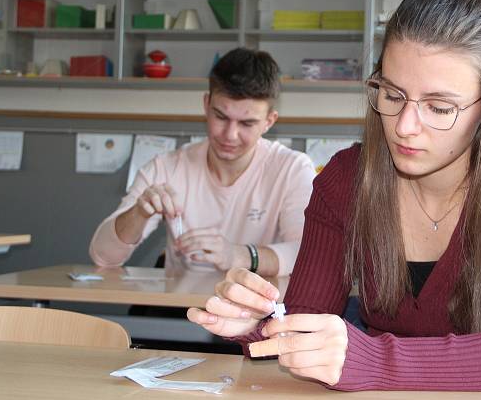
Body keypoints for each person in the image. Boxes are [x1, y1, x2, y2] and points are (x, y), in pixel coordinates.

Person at [187, 0, 481, 391]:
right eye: (392, 94)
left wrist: (377, 360)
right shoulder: (346, 179)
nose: (404, 126)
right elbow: (304, 331)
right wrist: (257, 324)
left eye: (439, 108)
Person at [89, 47, 316, 278]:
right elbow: (103, 256)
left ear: (269, 121)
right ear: (206, 105)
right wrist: (138, 213)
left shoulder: (293, 169)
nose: (230, 135)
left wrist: (239, 256)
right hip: (179, 310)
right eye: (220, 116)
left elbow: (310, 255)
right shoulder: (166, 167)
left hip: (258, 310)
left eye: (247, 123)